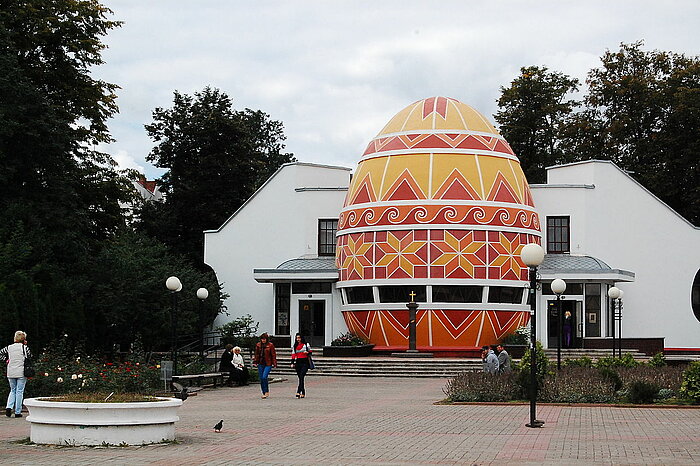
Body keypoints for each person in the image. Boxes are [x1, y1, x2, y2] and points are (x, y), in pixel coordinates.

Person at [0, 331, 31, 418]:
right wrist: (25, 345)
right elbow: (29, 356)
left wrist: (6, 359)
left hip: (10, 371)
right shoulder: (24, 348)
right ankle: (17, 411)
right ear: (23, 339)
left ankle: (9, 407)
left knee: (12, 390)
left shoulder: (9, 347)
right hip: (21, 372)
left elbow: (0, 353)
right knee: (19, 391)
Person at [253, 333, 277, 398]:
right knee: (261, 378)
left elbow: (273, 354)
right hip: (260, 363)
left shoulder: (270, 345)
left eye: (264, 339)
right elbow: (256, 354)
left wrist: (274, 363)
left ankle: (266, 391)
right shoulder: (258, 345)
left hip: (268, 363)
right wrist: (255, 361)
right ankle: (264, 392)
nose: (263, 340)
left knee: (264, 377)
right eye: (262, 339)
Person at [290, 333, 312, 398]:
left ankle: (298, 391)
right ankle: (303, 391)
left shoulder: (306, 344)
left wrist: (307, 352)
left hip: (305, 362)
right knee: (300, 378)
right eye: (297, 338)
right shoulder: (295, 346)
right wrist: (292, 363)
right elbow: (293, 355)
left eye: (299, 338)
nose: (298, 339)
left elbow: (310, 352)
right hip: (298, 363)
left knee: (302, 376)